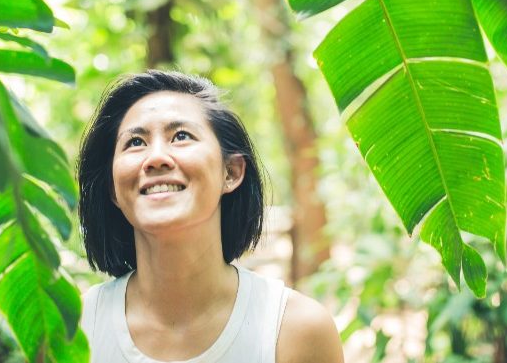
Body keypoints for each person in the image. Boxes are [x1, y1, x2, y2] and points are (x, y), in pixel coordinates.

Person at [77, 70, 344, 362]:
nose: (156, 158)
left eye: (181, 136)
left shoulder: (296, 330)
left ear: (231, 172)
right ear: (113, 189)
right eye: (136, 142)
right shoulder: (75, 329)